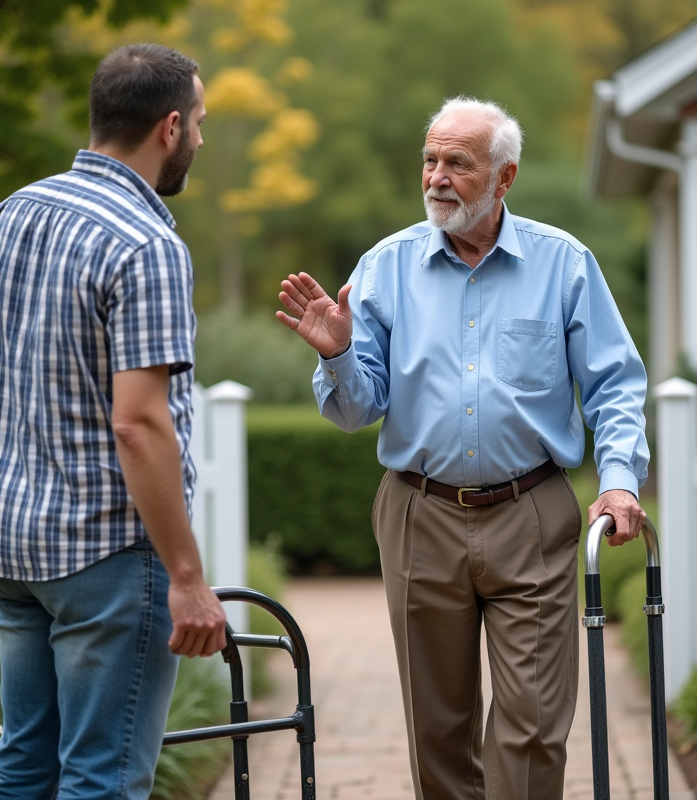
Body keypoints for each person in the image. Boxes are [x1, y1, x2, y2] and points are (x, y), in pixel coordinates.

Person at [276, 96, 650, 800]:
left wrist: (620, 479)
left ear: (505, 177)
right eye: (430, 160)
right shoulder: (386, 266)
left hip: (531, 512)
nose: (437, 177)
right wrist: (338, 355)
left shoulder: (563, 263)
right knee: (437, 730)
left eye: (458, 162)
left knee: (533, 724)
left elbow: (615, 384)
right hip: (419, 513)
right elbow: (356, 411)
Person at [0, 44, 227, 800]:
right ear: (170, 127)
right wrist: (187, 578)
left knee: (23, 769)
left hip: (11, 547)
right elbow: (138, 424)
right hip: (106, 557)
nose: (202, 138)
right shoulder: (147, 244)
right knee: (100, 781)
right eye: (200, 121)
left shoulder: (7, 215)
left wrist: (23, 482)